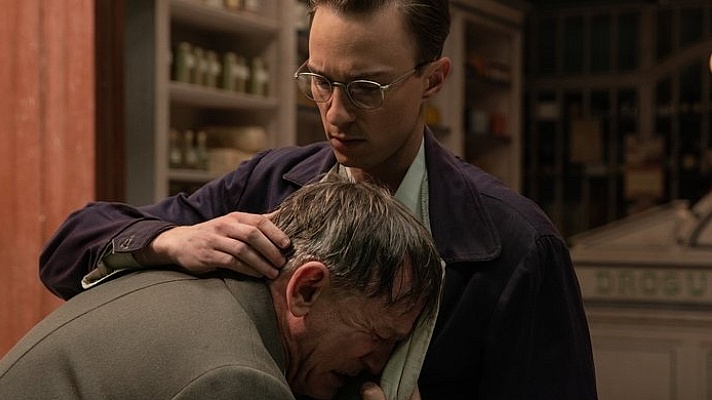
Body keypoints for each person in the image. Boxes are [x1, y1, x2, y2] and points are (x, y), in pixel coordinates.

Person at [39, 0, 598, 398]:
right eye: (320, 81)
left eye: (366, 88)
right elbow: (66, 250)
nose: (336, 113)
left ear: (432, 80)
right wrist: (169, 240)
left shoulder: (517, 246)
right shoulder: (269, 184)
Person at [0, 180, 443, 400]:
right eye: (380, 337)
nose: (379, 365)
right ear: (307, 289)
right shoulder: (238, 381)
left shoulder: (195, 291)